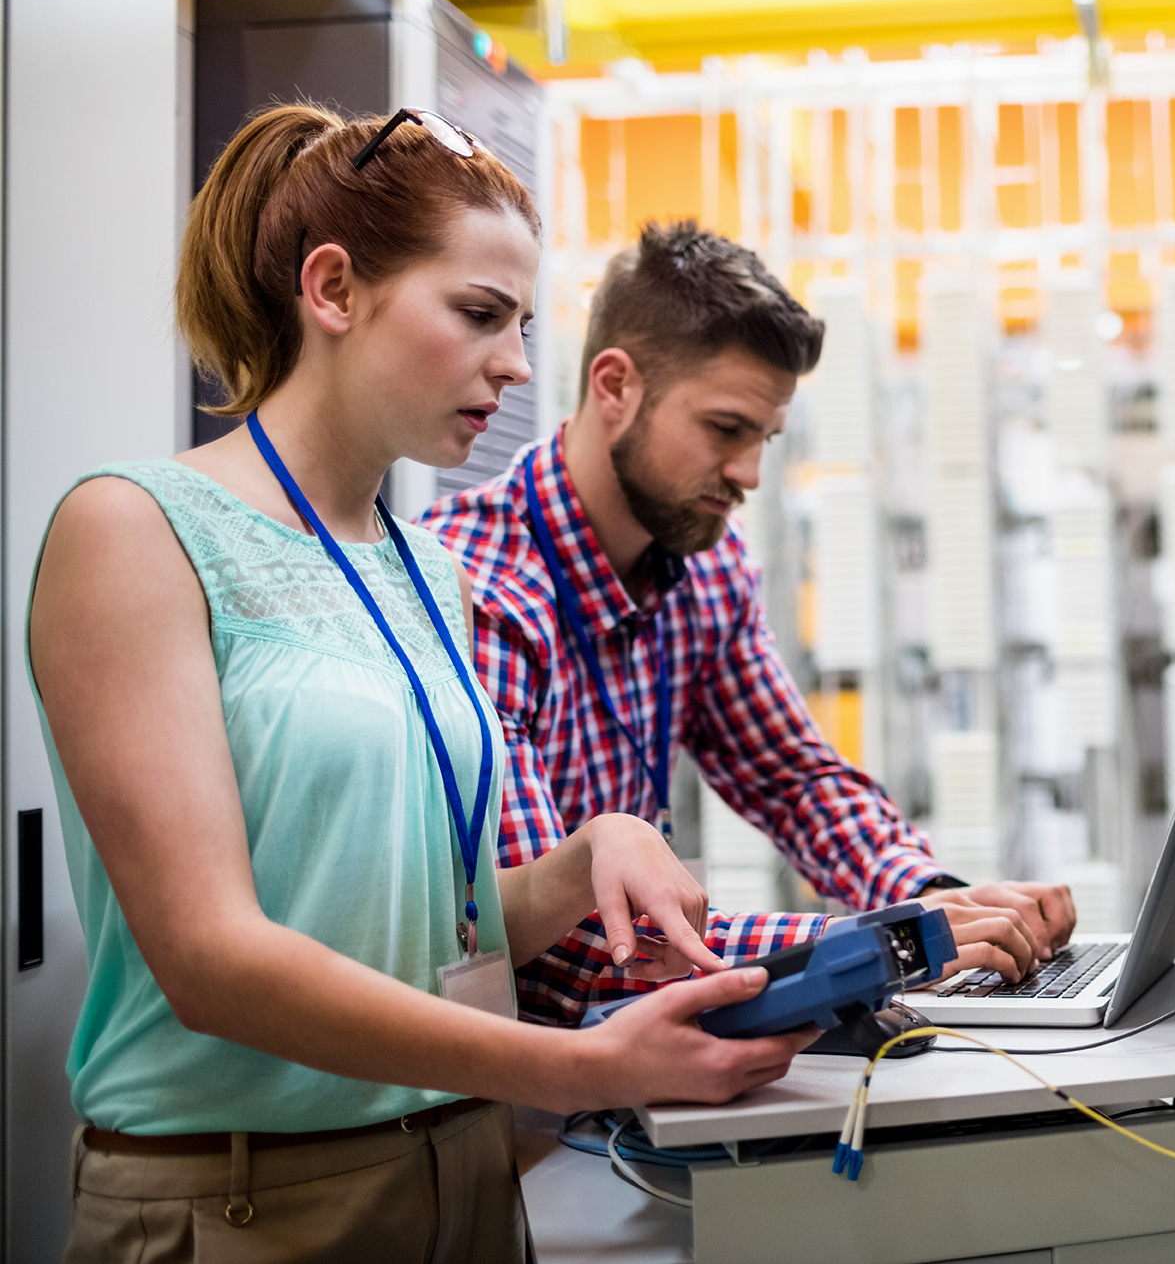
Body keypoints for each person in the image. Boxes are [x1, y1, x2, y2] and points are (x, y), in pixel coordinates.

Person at [31, 104, 816, 1261]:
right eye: (478, 314)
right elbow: (213, 961)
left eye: (522, 324)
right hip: (244, 1204)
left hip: (461, 1173)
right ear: (334, 290)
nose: (512, 362)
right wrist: (589, 1064)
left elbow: (410, 928)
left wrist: (587, 851)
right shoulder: (135, 529)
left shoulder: (427, 567)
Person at [422, 219, 1076, 1026]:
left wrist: (932, 896)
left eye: (764, 438)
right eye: (725, 430)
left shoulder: (704, 564)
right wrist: (887, 948)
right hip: (526, 1082)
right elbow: (557, 943)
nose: (749, 475)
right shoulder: (476, 591)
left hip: (643, 1063)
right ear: (615, 385)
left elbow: (791, 779)